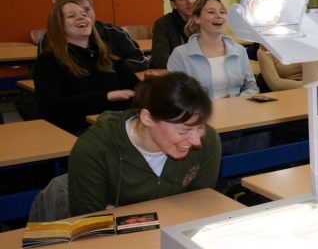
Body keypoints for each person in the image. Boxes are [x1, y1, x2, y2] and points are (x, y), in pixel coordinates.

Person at [68, 72, 221, 215]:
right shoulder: (93, 150)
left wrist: (119, 212)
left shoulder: (208, 141)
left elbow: (200, 208)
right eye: (182, 131)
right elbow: (89, 226)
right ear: (147, 118)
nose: (196, 141)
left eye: (200, 127)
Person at [33, 0, 138, 134]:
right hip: (77, 130)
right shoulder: (47, 61)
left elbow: (136, 87)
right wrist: (107, 96)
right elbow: (53, 106)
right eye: (71, 16)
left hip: (117, 124)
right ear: (58, 26)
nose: (81, 18)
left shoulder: (107, 55)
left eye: (84, 14)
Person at [167, 0, 258, 99]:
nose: (219, 16)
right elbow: (174, 96)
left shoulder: (239, 51)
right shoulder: (180, 54)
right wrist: (209, 106)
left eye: (222, 12)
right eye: (211, 12)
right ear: (197, 18)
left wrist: (236, 101)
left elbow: (251, 87)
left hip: (236, 111)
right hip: (200, 113)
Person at [37, 0, 148, 72]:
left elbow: (139, 59)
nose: (82, 17)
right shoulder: (49, 39)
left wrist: (109, 70)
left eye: (85, 11)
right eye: (71, 15)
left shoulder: (113, 32)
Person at [151, 0, 197, 69]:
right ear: (173, 5)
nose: (190, 2)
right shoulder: (163, 24)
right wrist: (191, 64)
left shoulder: (204, 21)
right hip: (178, 75)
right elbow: (159, 59)